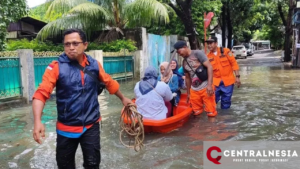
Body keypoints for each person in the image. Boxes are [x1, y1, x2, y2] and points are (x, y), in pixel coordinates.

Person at [32, 28, 132, 169]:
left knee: (93, 164)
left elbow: (109, 82)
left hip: (91, 125)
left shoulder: (94, 65)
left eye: (75, 43)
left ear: (85, 45)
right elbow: (41, 93)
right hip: (66, 128)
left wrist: (123, 98)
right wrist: (37, 121)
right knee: (65, 166)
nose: (71, 47)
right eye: (67, 44)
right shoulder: (56, 67)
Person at [174, 41, 217, 117]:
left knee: (211, 113)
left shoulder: (197, 53)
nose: (179, 54)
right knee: (196, 113)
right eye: (177, 53)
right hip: (194, 90)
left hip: (205, 87)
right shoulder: (184, 62)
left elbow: (209, 67)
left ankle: (212, 128)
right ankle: (199, 128)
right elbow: (187, 78)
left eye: (179, 51)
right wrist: (188, 93)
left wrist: (210, 85)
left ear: (185, 47)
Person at [205, 36, 241, 109]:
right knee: (212, 102)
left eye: (211, 43)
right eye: (208, 44)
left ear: (216, 43)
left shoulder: (226, 51)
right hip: (215, 83)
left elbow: (234, 63)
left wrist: (237, 77)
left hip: (228, 82)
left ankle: (225, 119)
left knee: (226, 103)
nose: (209, 45)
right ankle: (213, 118)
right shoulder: (207, 57)